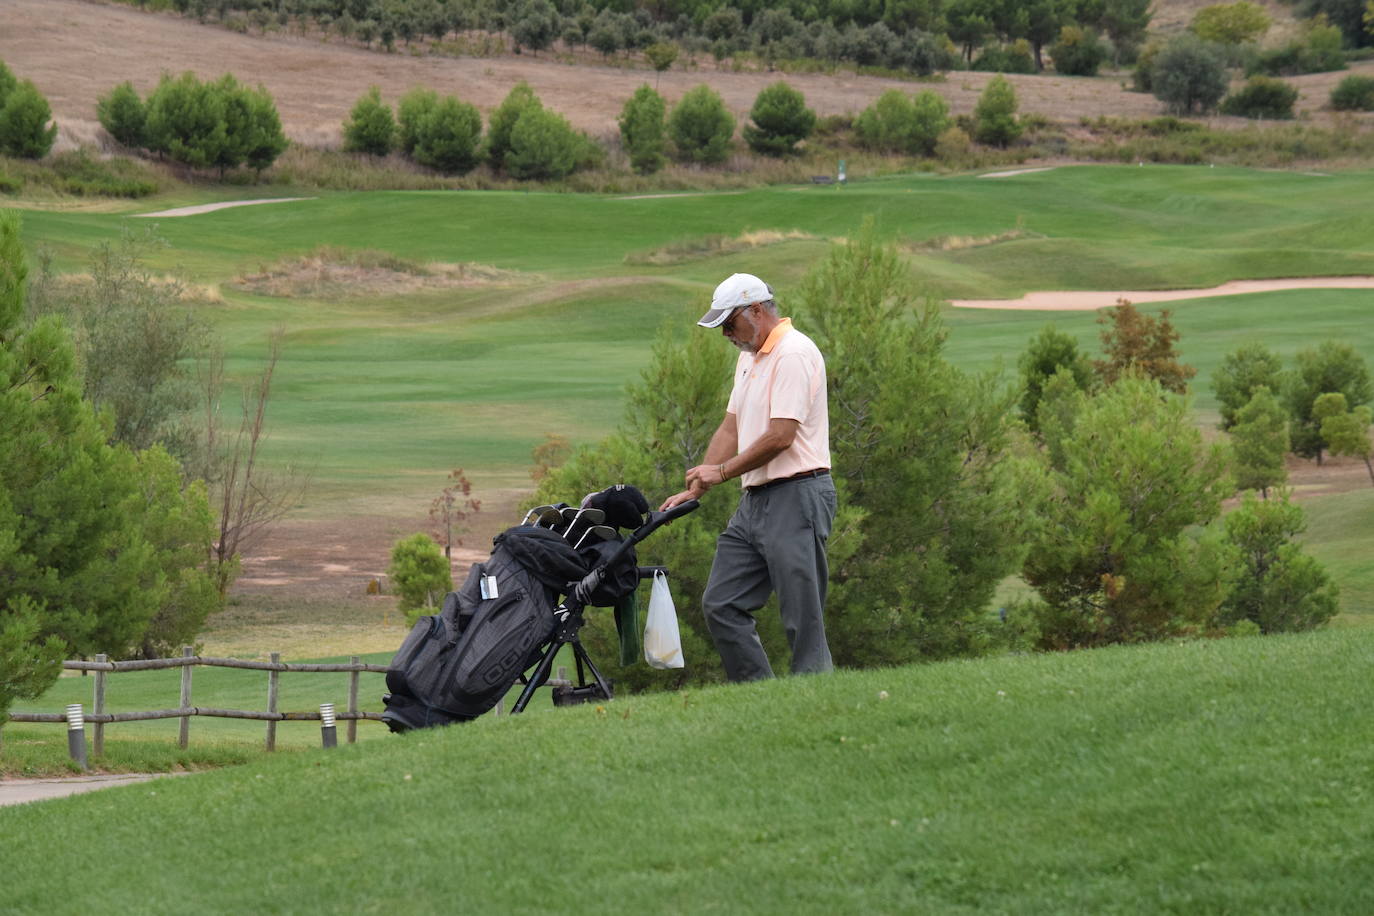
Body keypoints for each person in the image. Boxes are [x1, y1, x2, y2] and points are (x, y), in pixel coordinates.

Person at [661, 273, 836, 681]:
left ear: (756, 310)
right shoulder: (750, 357)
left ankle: (815, 700)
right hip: (755, 501)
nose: (726, 334)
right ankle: (760, 693)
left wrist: (720, 472)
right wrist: (696, 487)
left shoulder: (793, 353)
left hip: (798, 493)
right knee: (721, 603)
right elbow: (730, 428)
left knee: (801, 614)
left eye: (729, 323)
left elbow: (781, 436)